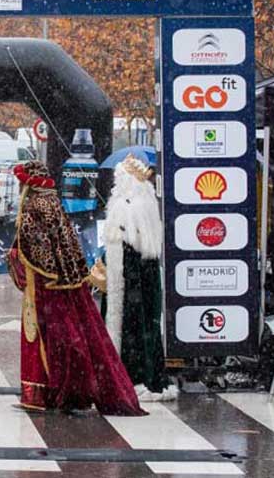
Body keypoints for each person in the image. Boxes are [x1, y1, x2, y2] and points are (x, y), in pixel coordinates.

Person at [6, 161, 144, 416]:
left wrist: (14, 256)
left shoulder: (35, 206)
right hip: (62, 285)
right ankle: (62, 391)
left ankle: (47, 393)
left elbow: (35, 250)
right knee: (72, 335)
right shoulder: (52, 203)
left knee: (49, 339)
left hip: (45, 288)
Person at [103, 156, 176, 402]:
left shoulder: (127, 205)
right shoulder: (147, 203)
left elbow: (126, 243)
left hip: (130, 276)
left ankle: (131, 376)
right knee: (146, 326)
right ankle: (146, 374)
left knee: (131, 326)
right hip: (143, 276)